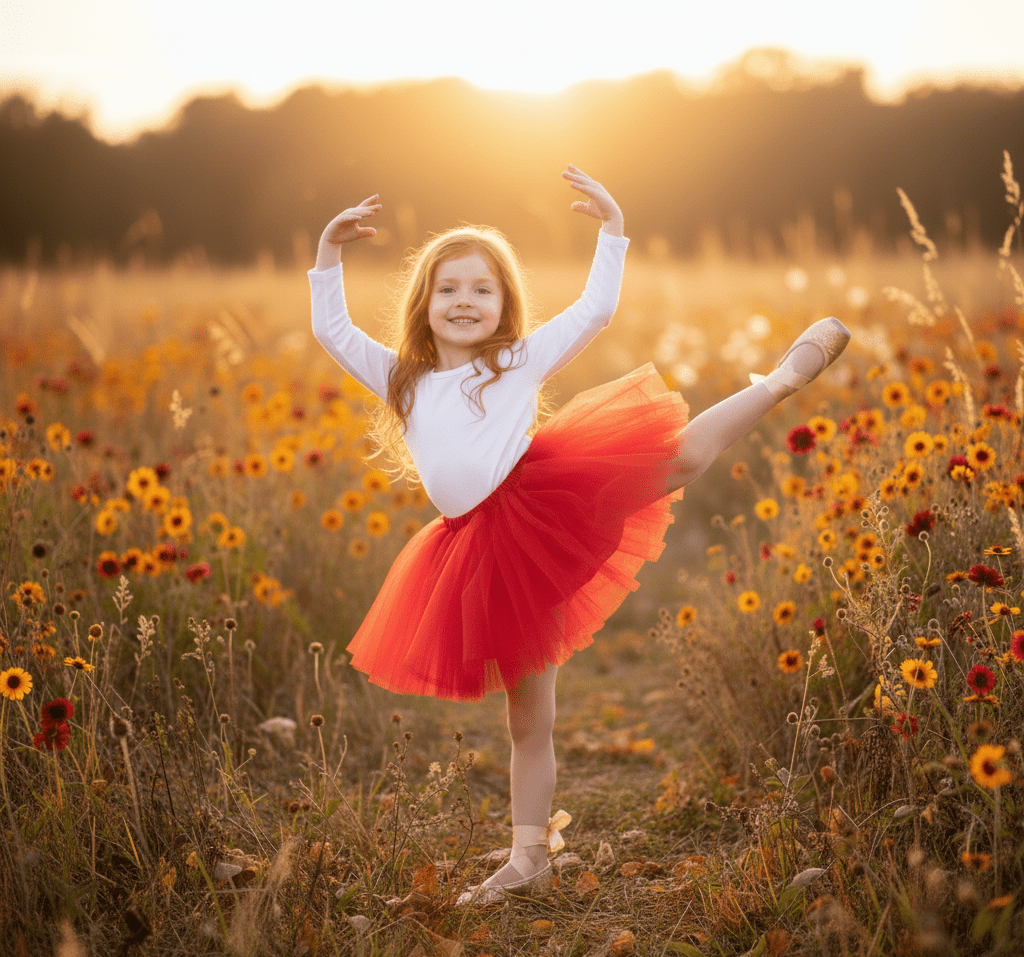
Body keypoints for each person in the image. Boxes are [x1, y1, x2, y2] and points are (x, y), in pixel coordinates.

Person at [309, 166, 849, 905]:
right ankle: (529, 857)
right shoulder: (403, 379)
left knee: (682, 458)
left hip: (545, 508)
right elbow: (331, 331)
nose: (464, 301)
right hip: (477, 550)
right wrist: (328, 252)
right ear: (424, 303)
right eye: (448, 289)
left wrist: (613, 228)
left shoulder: (516, 361)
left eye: (481, 289)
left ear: (503, 307)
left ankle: (779, 380)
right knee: (528, 718)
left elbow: (594, 312)